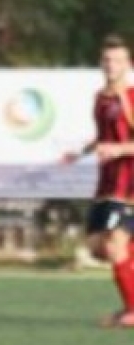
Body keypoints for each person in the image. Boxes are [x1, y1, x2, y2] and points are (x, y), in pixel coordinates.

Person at [63, 34, 134, 328]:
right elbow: (103, 136)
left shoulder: (130, 98)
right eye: (107, 60)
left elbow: (120, 143)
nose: (111, 65)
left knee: (116, 245)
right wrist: (81, 152)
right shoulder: (100, 99)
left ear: (128, 64)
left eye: (117, 60)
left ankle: (131, 310)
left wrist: (119, 150)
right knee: (97, 247)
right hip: (106, 184)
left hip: (129, 185)